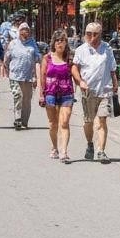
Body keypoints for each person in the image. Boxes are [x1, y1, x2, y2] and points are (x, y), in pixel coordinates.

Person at [71, 22, 117, 163]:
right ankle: (90, 144)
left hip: (104, 90)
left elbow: (112, 69)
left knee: (102, 119)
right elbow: (74, 68)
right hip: (88, 90)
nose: (91, 37)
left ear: (100, 34)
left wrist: (115, 84)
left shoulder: (107, 49)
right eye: (88, 33)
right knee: (89, 121)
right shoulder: (81, 50)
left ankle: (101, 151)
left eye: (94, 34)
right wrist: (80, 82)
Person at [39, 29, 74, 162]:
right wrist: (41, 94)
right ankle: (54, 147)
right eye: (57, 40)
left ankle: (64, 152)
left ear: (66, 43)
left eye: (63, 40)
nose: (60, 43)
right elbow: (42, 76)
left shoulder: (69, 58)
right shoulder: (47, 58)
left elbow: (75, 73)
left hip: (66, 93)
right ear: (54, 43)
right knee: (53, 123)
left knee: (64, 123)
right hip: (50, 93)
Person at [4, 20, 41, 131]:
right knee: (18, 95)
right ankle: (18, 119)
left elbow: (37, 56)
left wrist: (39, 58)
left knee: (26, 100)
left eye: (27, 31)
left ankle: (24, 122)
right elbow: (7, 59)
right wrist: (6, 70)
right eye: (23, 30)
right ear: (19, 32)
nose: (25, 33)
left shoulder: (32, 43)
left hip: (28, 76)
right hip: (15, 75)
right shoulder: (13, 43)